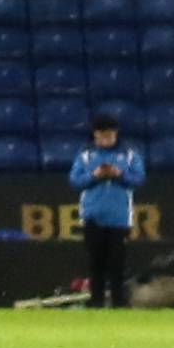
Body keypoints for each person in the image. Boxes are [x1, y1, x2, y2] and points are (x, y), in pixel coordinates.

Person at [69, 115, 146, 307]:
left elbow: (138, 179)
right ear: (95, 135)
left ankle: (119, 302)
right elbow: (75, 181)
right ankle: (96, 301)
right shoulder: (85, 156)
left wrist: (119, 174)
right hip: (92, 216)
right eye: (103, 135)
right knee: (96, 262)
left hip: (119, 218)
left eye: (110, 135)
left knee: (117, 263)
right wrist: (94, 175)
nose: (107, 139)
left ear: (116, 134)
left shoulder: (129, 155)